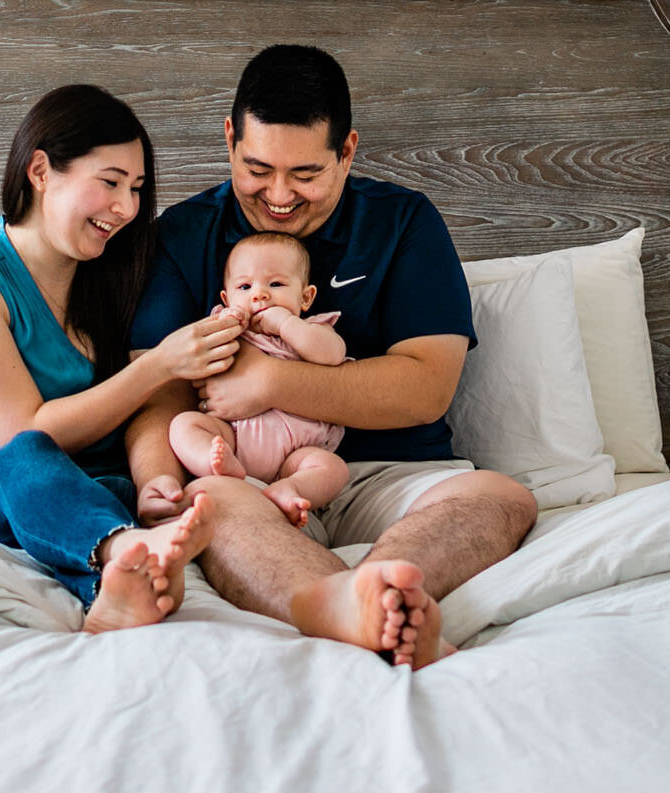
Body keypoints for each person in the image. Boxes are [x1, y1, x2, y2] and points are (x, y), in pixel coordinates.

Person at [126, 46, 539, 668]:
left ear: (346, 151)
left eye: (307, 174)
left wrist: (268, 380)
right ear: (230, 138)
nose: (280, 196)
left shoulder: (404, 224)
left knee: (504, 497)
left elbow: (424, 389)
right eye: (257, 169)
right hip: (249, 475)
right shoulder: (181, 238)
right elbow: (155, 392)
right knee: (216, 508)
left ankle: (386, 589)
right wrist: (155, 481)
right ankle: (349, 605)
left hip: (385, 472)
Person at [0, 84, 244, 632]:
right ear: (40, 171)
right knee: (31, 456)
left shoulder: (103, 281)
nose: (128, 208)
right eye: (109, 182)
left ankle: (117, 587)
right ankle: (131, 552)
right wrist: (158, 364)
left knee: (115, 488)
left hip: (68, 490)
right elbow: (27, 432)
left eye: (135, 189)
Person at [168, 231, 349, 528]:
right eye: (244, 286)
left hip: (297, 455)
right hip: (233, 438)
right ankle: (217, 466)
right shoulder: (224, 327)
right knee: (183, 426)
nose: (259, 294)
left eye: (275, 284)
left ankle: (291, 489)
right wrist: (228, 323)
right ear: (226, 297)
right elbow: (193, 359)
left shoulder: (311, 329)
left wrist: (285, 323)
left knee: (333, 469)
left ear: (306, 297)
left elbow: (332, 355)